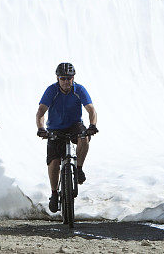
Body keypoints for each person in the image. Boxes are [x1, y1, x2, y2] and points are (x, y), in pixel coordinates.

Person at [36, 62, 98, 213]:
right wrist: (41, 128)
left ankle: (78, 169)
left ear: (73, 78)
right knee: (54, 161)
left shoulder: (79, 90)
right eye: (62, 78)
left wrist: (92, 125)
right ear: (57, 78)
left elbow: (91, 110)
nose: (66, 81)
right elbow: (41, 112)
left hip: (74, 125)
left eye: (69, 78)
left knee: (84, 138)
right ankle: (54, 193)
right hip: (55, 128)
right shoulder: (52, 90)